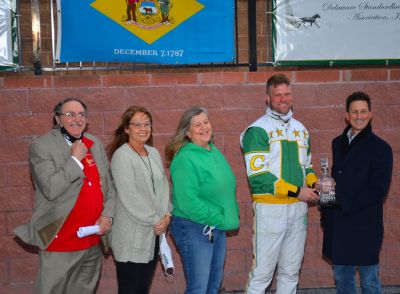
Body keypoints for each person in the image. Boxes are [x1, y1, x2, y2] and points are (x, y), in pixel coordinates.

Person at [14, 98, 116, 294]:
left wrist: (108, 216)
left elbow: (110, 189)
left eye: (81, 115)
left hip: (91, 242)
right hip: (59, 242)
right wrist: (75, 159)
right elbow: (50, 188)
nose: (77, 119)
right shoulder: (42, 146)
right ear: (58, 119)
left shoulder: (94, 143)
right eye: (70, 114)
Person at [240, 74, 320, 294]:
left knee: (290, 273)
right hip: (270, 210)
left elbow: (308, 167)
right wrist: (298, 192)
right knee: (262, 274)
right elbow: (259, 179)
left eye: (287, 94)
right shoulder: (257, 130)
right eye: (278, 95)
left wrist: (316, 183)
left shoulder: (301, 130)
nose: (283, 99)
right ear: (268, 98)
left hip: (298, 209)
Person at [321, 91, 393, 294]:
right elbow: (335, 180)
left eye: (363, 111)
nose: (359, 116)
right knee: (342, 279)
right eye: (354, 112)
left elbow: (378, 191)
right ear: (347, 115)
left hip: (365, 226)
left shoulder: (381, 149)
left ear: (370, 114)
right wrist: (326, 207)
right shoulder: (337, 143)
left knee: (369, 281)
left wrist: (343, 202)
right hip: (339, 225)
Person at [165, 107, 240, 294]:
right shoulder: (185, 158)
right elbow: (188, 202)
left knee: (213, 286)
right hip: (194, 227)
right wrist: (219, 217)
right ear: (188, 133)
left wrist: (226, 215)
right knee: (198, 288)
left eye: (206, 122)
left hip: (215, 226)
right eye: (197, 125)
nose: (204, 127)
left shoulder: (212, 151)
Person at [107, 106, 171, 294]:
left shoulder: (154, 153)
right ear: (126, 129)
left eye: (147, 124)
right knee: (130, 289)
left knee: (143, 288)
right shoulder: (122, 156)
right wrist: (156, 220)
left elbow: (164, 188)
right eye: (137, 125)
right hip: (131, 236)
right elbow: (130, 196)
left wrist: (167, 215)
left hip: (154, 235)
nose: (143, 129)